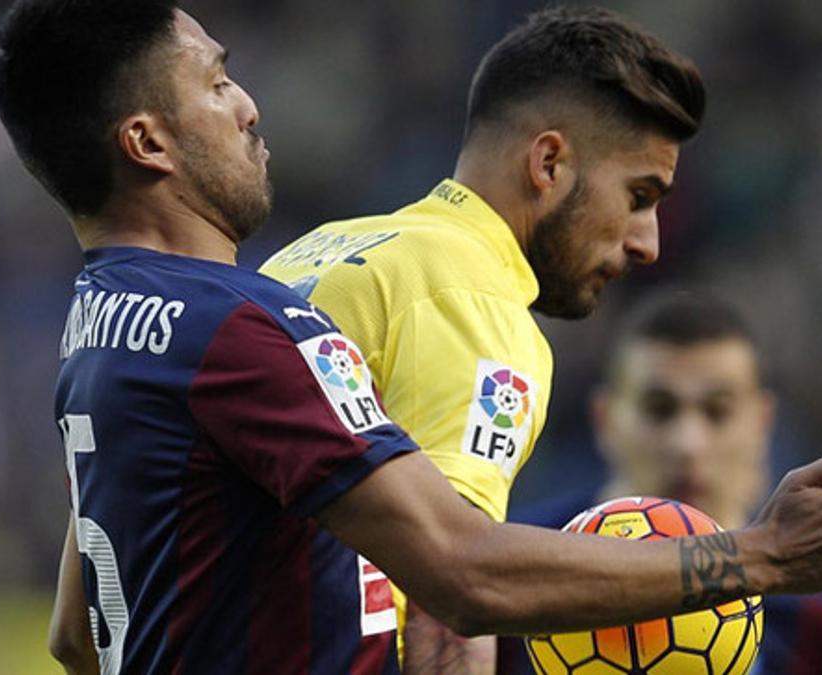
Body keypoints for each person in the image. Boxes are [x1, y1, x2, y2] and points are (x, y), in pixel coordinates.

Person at [0, 2, 822, 674]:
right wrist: (766, 557)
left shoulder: (134, 317)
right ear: (148, 143)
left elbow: (78, 634)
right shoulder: (447, 299)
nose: (249, 105)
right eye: (218, 80)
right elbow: (453, 589)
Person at [257, 6, 721, 671]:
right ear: (550, 162)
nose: (647, 241)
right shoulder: (473, 303)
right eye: (639, 194)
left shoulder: (316, 252)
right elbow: (449, 602)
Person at [501, 292, 822, 674]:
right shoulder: (507, 576)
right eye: (659, 410)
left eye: (717, 411)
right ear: (605, 420)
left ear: (761, 424)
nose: (688, 444)